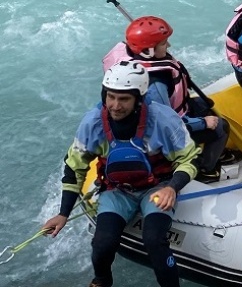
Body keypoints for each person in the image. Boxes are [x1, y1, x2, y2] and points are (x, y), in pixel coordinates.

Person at [42, 61, 199, 287]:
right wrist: (63, 213)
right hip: (117, 191)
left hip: (157, 187)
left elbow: (190, 158)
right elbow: (74, 167)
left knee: (154, 239)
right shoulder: (92, 123)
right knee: (103, 244)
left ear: (138, 99)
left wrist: (172, 187)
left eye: (124, 99)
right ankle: (102, 280)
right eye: (111, 97)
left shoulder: (162, 120)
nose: (115, 106)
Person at [103, 16, 231, 184]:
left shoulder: (130, 56)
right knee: (221, 127)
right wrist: (203, 123)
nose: (168, 46)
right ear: (148, 51)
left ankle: (213, 151)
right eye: (164, 44)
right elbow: (166, 124)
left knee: (202, 106)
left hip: (156, 119)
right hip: (155, 134)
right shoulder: (155, 85)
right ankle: (204, 170)